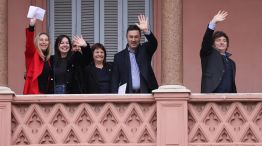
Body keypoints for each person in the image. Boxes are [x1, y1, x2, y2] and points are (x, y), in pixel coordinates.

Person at [111, 14, 158, 93]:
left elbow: (154, 43)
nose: (133, 39)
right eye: (131, 37)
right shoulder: (118, 57)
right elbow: (115, 80)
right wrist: (114, 98)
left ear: (140, 37)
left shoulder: (145, 50)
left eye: (136, 37)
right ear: (127, 37)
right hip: (127, 94)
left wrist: (146, 31)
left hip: (146, 92)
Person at [200, 10, 237, 93]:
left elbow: (232, 84)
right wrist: (213, 22)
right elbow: (206, 41)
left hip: (229, 100)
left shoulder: (232, 63)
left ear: (227, 45)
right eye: (218, 40)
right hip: (211, 99)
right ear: (213, 44)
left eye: (224, 40)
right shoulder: (208, 55)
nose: (221, 42)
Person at [23, 18, 54, 94]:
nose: (44, 42)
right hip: (33, 94)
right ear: (37, 42)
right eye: (41, 40)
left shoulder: (48, 59)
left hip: (45, 95)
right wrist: (31, 27)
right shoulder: (32, 54)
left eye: (46, 40)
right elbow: (29, 44)